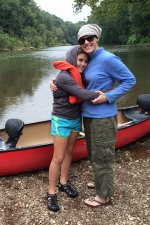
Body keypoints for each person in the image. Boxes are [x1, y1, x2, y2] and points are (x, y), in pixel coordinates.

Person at [51, 24, 136, 208]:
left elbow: (130, 80)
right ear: (79, 44)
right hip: (87, 115)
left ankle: (103, 196)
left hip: (103, 117)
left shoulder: (108, 59)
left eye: (90, 38)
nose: (87, 42)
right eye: (82, 40)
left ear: (97, 38)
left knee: (102, 155)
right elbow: (74, 80)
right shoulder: (88, 59)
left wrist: (108, 96)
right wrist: (55, 82)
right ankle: (100, 182)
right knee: (94, 153)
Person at [47, 45, 100, 212]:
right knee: (58, 157)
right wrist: (105, 94)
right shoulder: (63, 77)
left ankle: (63, 182)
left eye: (85, 61)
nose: (83, 64)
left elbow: (82, 89)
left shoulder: (80, 76)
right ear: (71, 59)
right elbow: (82, 94)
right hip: (61, 120)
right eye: (80, 60)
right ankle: (51, 192)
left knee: (69, 152)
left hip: (76, 119)